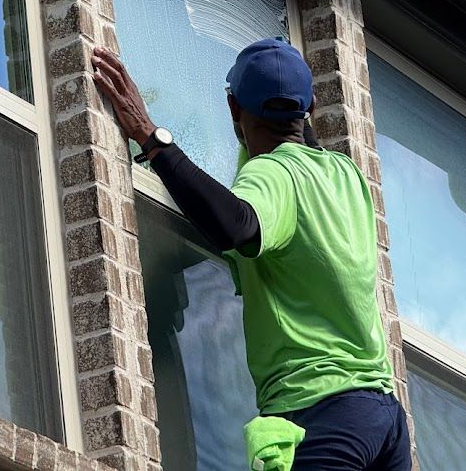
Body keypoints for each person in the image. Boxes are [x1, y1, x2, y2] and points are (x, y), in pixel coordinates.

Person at [92, 39, 411, 471]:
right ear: (311, 105)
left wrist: (153, 140)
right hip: (384, 420)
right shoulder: (346, 175)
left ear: (232, 108)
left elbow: (238, 225)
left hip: (321, 411)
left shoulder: (274, 174)